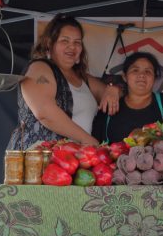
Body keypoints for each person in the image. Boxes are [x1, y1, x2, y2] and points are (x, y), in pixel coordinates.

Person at [12, 15, 120, 148]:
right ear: (49, 43)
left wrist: (113, 89)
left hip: (73, 162)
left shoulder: (84, 79)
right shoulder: (39, 68)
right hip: (39, 161)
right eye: (65, 41)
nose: (72, 47)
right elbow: (44, 112)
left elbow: (117, 98)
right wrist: (86, 139)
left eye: (77, 42)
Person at [92, 52, 163, 144]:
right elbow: (96, 147)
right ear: (124, 76)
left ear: (154, 78)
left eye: (148, 71)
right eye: (135, 70)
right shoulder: (109, 106)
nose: (142, 75)